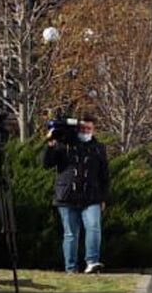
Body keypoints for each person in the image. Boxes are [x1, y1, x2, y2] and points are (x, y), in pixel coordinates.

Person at [43, 113, 110, 273]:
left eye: (89, 128)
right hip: (67, 197)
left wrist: (103, 197)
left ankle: (92, 262)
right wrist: (51, 143)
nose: (85, 131)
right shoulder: (64, 145)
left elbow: (104, 174)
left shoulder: (98, 148)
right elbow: (46, 163)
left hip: (91, 196)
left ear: (93, 130)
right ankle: (71, 268)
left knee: (94, 227)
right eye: (82, 128)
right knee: (71, 234)